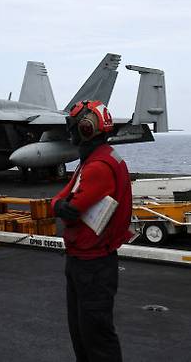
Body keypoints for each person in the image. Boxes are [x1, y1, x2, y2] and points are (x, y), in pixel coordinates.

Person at [52, 100, 132, 362]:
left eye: (74, 127)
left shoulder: (97, 167)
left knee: (96, 339)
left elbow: (69, 207)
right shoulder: (101, 158)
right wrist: (59, 205)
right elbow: (59, 201)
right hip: (88, 261)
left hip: (92, 265)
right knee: (84, 333)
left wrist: (60, 205)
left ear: (86, 129)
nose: (71, 133)